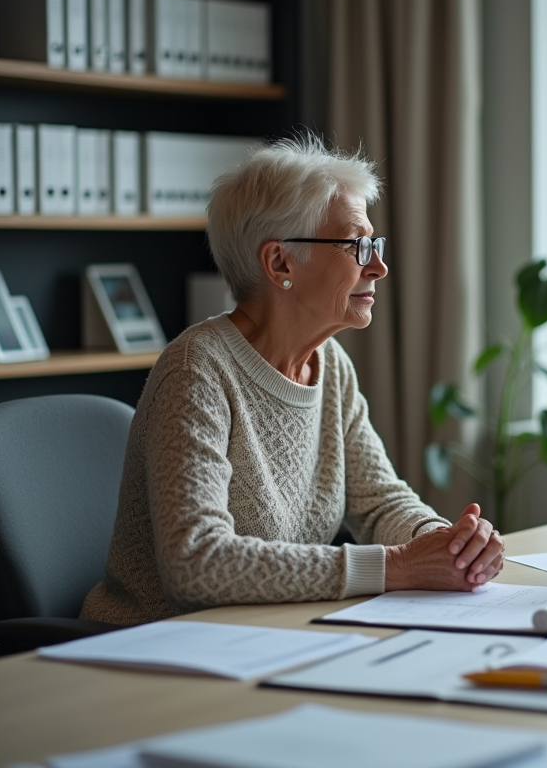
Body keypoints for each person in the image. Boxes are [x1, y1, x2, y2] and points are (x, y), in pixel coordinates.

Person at [82, 136, 503, 626]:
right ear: (280, 263)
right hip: (150, 648)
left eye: (375, 244)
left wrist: (449, 544)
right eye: (356, 245)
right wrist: (397, 566)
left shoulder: (332, 366)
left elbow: (379, 501)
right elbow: (196, 563)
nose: (379, 266)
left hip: (269, 636)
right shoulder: (197, 369)